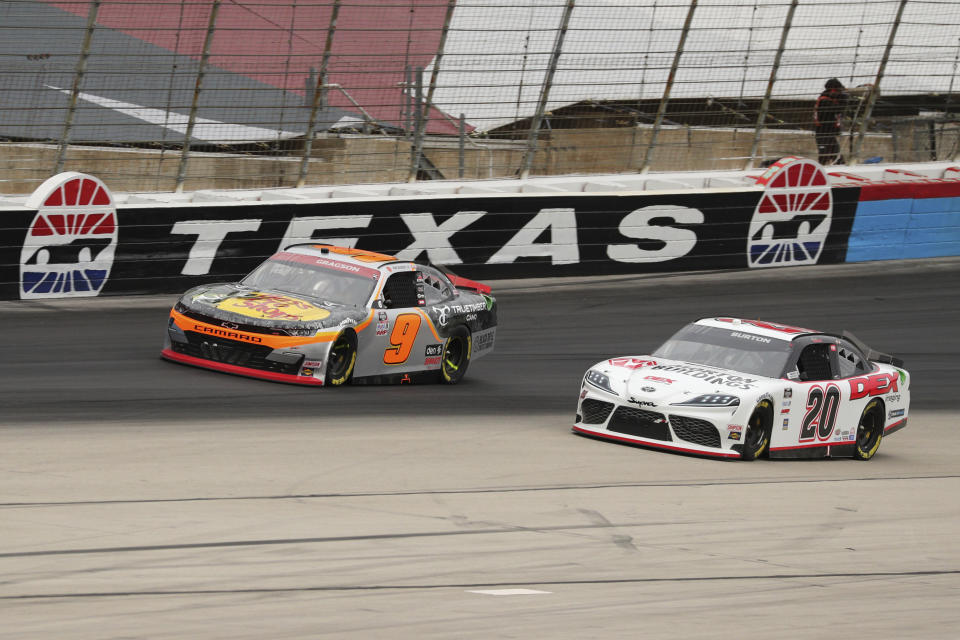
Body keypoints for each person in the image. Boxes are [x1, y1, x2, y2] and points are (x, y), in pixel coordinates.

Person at [813, 78, 849, 165]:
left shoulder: (830, 99)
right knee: (824, 157)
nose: (838, 93)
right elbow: (838, 109)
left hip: (829, 134)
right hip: (823, 134)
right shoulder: (824, 100)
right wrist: (844, 99)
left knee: (837, 158)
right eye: (837, 91)